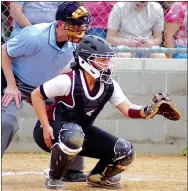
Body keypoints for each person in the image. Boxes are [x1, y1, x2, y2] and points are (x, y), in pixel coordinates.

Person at [31, 35, 180, 190]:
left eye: (107, 60)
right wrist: (46, 127)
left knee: (124, 151)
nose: (107, 64)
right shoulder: (68, 80)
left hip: (79, 133)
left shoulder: (109, 85)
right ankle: (54, 177)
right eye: (101, 60)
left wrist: (149, 110)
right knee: (73, 134)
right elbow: (37, 95)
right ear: (85, 61)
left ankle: (99, 177)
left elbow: (128, 109)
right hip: (49, 131)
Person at [1, 2, 91, 182]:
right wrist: (11, 85)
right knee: (7, 121)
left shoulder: (75, 42)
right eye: (74, 25)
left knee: (74, 113)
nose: (79, 30)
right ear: (59, 24)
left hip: (43, 86)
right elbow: (4, 51)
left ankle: (72, 170)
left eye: (82, 25)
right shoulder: (35, 36)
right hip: (15, 80)